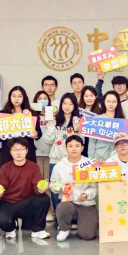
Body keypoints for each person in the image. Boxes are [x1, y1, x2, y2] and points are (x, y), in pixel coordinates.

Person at [0, 138, 51, 240]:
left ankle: (38, 230)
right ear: (10, 152)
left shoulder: (33, 167)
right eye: (15, 150)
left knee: (44, 198)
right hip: (9, 203)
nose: (18, 152)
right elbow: (2, 187)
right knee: (0, 221)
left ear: (27, 150)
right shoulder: (5, 168)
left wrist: (40, 189)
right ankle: (11, 228)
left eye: (22, 149)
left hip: (26, 203)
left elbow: (36, 186)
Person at [50, 136, 98, 242]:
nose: (74, 149)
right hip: (68, 202)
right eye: (70, 146)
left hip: (86, 203)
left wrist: (86, 194)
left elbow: (95, 187)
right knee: (63, 206)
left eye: (77, 146)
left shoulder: (90, 165)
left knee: (88, 235)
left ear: (82, 148)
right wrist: (56, 188)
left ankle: (81, 223)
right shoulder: (59, 166)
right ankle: (64, 229)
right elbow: (53, 184)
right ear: (66, 148)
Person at [43, 92, 81, 220]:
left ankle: (72, 216)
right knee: (55, 188)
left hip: (72, 161)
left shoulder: (78, 121)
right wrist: (50, 125)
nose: (67, 106)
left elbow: (81, 142)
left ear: (74, 105)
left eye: (70, 104)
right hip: (56, 160)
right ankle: (58, 215)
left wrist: (77, 130)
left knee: (72, 187)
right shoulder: (55, 120)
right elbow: (47, 140)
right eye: (64, 103)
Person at [0, 86, 42, 166]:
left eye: (19, 96)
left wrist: (36, 135)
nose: (16, 99)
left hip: (27, 154)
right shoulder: (2, 114)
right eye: (14, 96)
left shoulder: (31, 114)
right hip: (7, 154)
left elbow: (39, 133)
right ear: (10, 97)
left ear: (24, 98)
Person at [92, 90, 126, 161]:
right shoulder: (97, 119)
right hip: (99, 155)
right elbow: (92, 141)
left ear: (117, 103)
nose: (111, 104)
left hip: (117, 155)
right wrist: (91, 158)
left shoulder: (122, 121)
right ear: (104, 102)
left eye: (114, 102)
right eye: (108, 101)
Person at [78, 85, 105, 158]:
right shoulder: (77, 111)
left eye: (91, 96)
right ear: (82, 97)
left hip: (95, 143)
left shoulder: (101, 111)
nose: (89, 98)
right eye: (86, 96)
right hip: (80, 142)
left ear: (95, 97)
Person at [32, 90, 52, 180]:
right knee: (38, 180)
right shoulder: (32, 116)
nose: (42, 100)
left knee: (48, 180)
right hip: (36, 153)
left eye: (45, 98)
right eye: (40, 98)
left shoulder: (53, 115)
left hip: (50, 153)